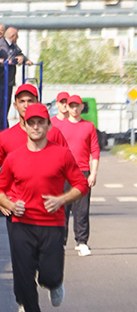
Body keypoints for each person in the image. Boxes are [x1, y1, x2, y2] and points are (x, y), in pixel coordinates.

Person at [0, 103, 88, 312]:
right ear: (24, 125)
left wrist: (62, 199)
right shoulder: (14, 158)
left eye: (40, 123)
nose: (36, 127)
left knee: (49, 275)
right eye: (31, 123)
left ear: (48, 125)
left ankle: (55, 284)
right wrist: (9, 204)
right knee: (23, 276)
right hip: (22, 225)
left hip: (52, 225)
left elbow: (81, 185)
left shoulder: (61, 154)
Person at [0, 83, 71, 312]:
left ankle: (54, 281)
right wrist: (1, 197)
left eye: (30, 100)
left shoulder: (53, 133)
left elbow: (67, 166)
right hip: (17, 210)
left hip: (48, 211)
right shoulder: (6, 137)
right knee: (22, 262)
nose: (26, 105)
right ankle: (24, 305)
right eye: (21, 101)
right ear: (15, 105)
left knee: (48, 261)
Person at [57, 95, 100, 256]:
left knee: (82, 209)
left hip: (82, 171)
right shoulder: (60, 127)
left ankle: (82, 242)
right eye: (71, 106)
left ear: (82, 107)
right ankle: (60, 242)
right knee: (62, 209)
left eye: (77, 106)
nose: (74, 109)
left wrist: (93, 173)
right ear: (66, 107)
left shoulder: (88, 126)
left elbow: (94, 150)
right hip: (63, 172)